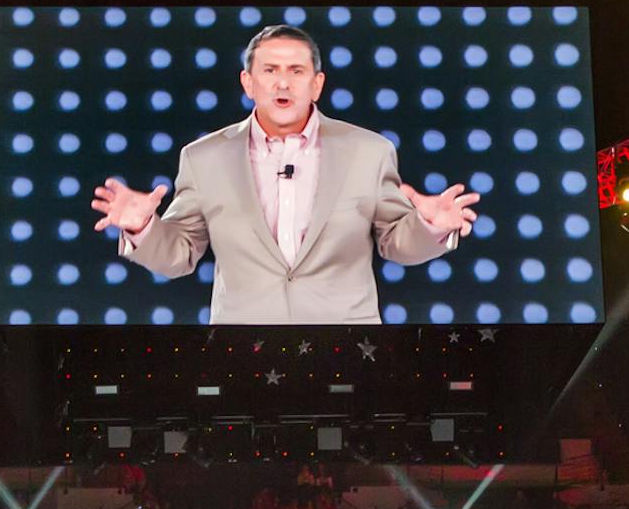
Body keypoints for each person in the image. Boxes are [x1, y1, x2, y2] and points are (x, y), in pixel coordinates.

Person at [91, 25, 479, 324]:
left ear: (317, 84)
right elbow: (178, 254)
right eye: (270, 70)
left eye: (296, 70)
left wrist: (430, 227)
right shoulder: (204, 157)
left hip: (347, 341)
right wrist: (143, 227)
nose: (282, 82)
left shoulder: (369, 151)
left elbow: (395, 242)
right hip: (242, 346)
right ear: (248, 83)